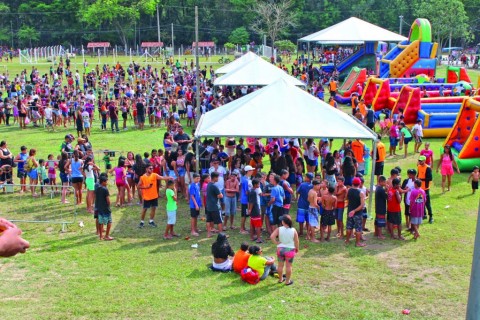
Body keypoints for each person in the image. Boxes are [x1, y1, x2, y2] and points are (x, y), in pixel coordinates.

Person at [137, 164, 172, 228]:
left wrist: (169, 177)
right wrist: (146, 187)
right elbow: (138, 186)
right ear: (146, 169)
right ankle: (142, 222)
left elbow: (162, 177)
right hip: (146, 197)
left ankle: (151, 221)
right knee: (145, 209)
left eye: (152, 168)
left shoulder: (154, 175)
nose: (152, 169)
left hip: (154, 196)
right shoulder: (142, 177)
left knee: (154, 208)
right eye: (150, 168)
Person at [270, 214, 299, 286]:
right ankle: (287, 281)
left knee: (280, 266)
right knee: (289, 266)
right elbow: (296, 241)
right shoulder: (293, 230)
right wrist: (297, 248)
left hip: (280, 249)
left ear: (283, 222)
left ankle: (280, 279)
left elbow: (272, 237)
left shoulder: (279, 229)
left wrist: (276, 243)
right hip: (290, 249)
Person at [345, 177, 366, 247]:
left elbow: (346, 198)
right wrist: (355, 210)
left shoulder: (349, 190)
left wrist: (352, 210)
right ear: (359, 184)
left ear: (352, 183)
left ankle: (347, 240)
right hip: (357, 213)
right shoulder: (361, 193)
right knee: (358, 228)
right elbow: (362, 205)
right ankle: (358, 243)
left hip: (350, 211)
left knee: (349, 227)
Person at [95, 175, 114, 241]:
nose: (106, 183)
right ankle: (107, 235)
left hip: (99, 208)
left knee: (100, 222)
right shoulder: (105, 189)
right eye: (106, 182)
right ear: (103, 182)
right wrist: (109, 205)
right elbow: (108, 200)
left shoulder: (97, 189)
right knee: (109, 221)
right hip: (105, 208)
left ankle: (101, 236)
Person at [206, 171, 224, 238]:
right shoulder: (214, 186)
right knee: (219, 221)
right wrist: (220, 195)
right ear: (215, 177)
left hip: (209, 206)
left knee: (209, 220)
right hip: (215, 206)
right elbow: (220, 195)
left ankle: (209, 233)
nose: (218, 179)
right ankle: (221, 235)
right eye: (218, 177)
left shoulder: (209, 184)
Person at [296, 172, 313, 237]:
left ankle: (301, 232)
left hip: (301, 204)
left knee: (301, 220)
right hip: (309, 205)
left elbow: (297, 191)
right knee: (308, 220)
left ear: (307, 178)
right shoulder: (312, 186)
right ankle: (308, 232)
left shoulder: (302, 185)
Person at [417, 155, 433, 223]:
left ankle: (431, 216)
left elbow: (430, 178)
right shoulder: (419, 167)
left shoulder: (428, 168)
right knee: (420, 201)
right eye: (419, 160)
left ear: (424, 160)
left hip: (425, 188)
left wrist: (420, 179)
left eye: (421, 161)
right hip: (420, 188)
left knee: (427, 203)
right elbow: (418, 174)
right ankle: (424, 214)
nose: (420, 162)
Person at [240, 165, 254, 234]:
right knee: (244, 214)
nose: (252, 171)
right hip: (245, 199)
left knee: (245, 214)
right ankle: (242, 228)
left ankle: (243, 227)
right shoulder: (245, 180)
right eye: (251, 170)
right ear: (248, 171)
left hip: (247, 199)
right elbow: (246, 191)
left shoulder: (248, 179)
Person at [249, 179, 263, 243]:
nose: (259, 185)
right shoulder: (254, 192)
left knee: (252, 224)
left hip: (253, 210)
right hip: (255, 209)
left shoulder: (251, 191)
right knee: (258, 225)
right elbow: (252, 202)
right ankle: (258, 238)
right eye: (258, 184)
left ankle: (252, 237)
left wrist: (249, 209)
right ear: (255, 185)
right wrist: (250, 209)